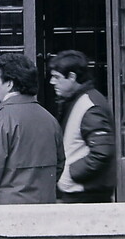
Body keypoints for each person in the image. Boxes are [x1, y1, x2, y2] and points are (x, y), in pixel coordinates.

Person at [0, 53, 65, 205]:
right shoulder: (50, 120)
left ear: (9, 84)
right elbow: (59, 165)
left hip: (7, 211)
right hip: (44, 207)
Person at [49, 50, 115, 203]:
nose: (52, 82)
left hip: (85, 194)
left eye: (57, 77)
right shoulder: (82, 101)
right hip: (83, 191)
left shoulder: (89, 105)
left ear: (72, 77)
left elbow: (102, 152)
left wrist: (71, 173)